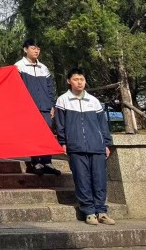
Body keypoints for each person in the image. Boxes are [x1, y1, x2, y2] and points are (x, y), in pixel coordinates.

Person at [55, 67, 115, 226]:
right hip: (76, 146)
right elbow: (60, 124)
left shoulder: (94, 101)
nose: (79, 82)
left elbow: (103, 125)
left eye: (82, 79)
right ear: (69, 81)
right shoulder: (63, 100)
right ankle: (89, 212)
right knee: (82, 179)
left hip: (97, 146)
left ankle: (101, 211)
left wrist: (106, 144)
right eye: (75, 79)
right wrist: (63, 142)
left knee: (99, 179)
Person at [15, 38, 60, 175]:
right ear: (25, 49)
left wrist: (52, 104)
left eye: (38, 48)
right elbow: (16, 88)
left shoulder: (43, 68)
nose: (36, 51)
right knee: (34, 134)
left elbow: (50, 88)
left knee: (47, 133)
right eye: (33, 48)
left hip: (45, 107)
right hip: (29, 107)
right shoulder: (19, 66)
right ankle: (36, 162)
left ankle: (47, 161)